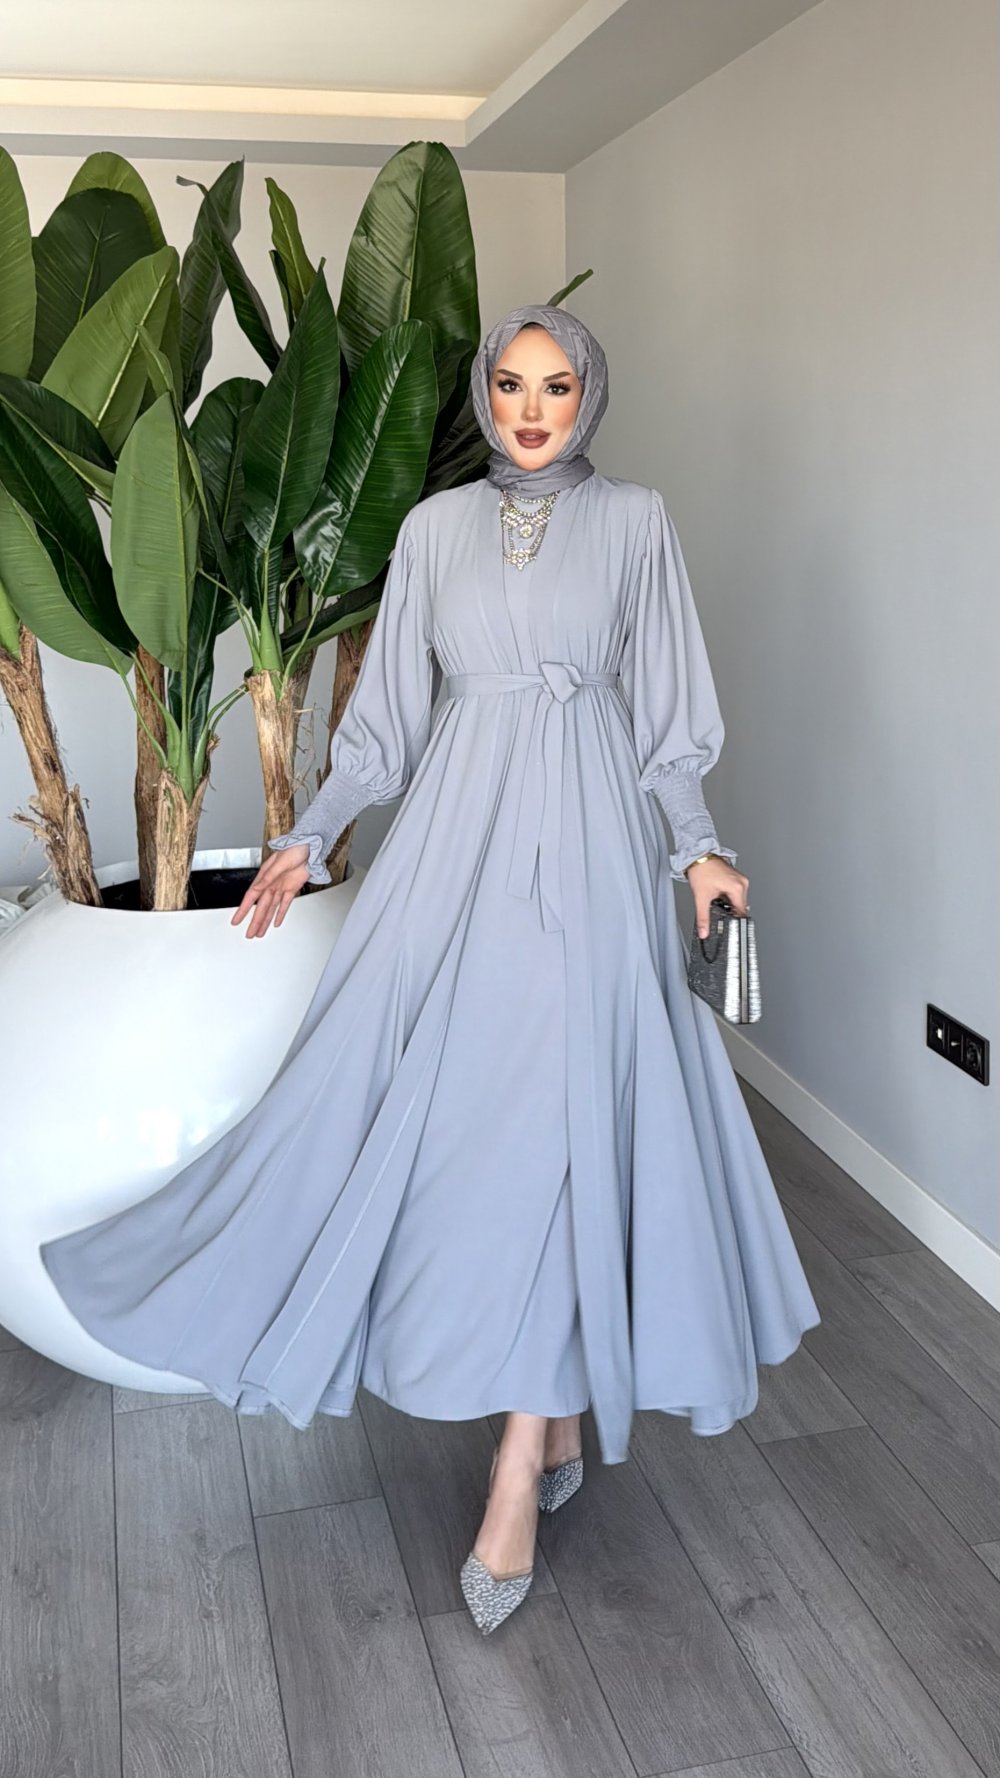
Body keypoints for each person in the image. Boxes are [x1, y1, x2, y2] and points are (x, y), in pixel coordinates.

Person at [40, 303, 820, 1637]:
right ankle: (549, 1413)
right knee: (455, 1130)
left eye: (557, 384)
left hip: (593, 843)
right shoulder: (434, 529)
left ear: (590, 394)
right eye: (510, 384)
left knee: (572, 1131)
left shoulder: (636, 522)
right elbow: (389, 718)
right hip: (458, 843)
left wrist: (698, 850)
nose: (531, 408)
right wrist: (307, 834)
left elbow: (667, 715)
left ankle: (522, 1458)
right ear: (485, 393)